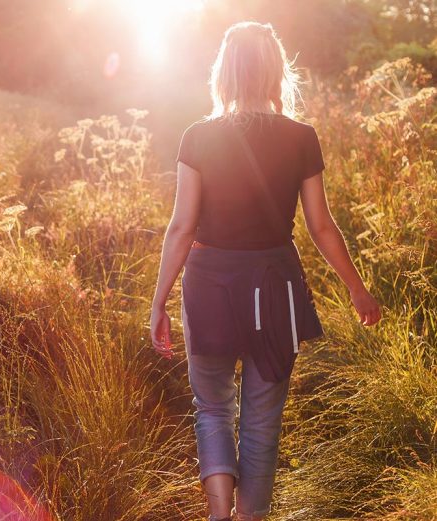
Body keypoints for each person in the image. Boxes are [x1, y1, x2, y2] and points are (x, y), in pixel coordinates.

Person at [148, 21, 382, 521]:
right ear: (276, 71)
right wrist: (358, 290)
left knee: (212, 408)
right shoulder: (301, 137)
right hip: (277, 288)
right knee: (261, 422)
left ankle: (218, 516)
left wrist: (159, 300)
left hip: (209, 284)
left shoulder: (198, 136)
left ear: (224, 74)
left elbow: (181, 227)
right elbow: (322, 226)